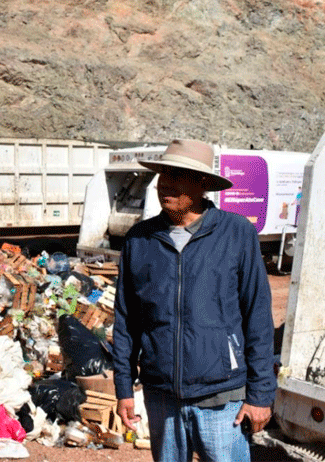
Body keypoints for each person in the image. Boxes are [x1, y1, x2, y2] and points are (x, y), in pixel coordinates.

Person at [112, 139, 275, 461]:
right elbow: (126, 319)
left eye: (178, 176)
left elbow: (257, 315)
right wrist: (123, 387)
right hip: (161, 397)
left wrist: (261, 394)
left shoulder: (235, 232)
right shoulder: (140, 239)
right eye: (163, 175)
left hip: (222, 395)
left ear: (202, 184)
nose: (165, 185)